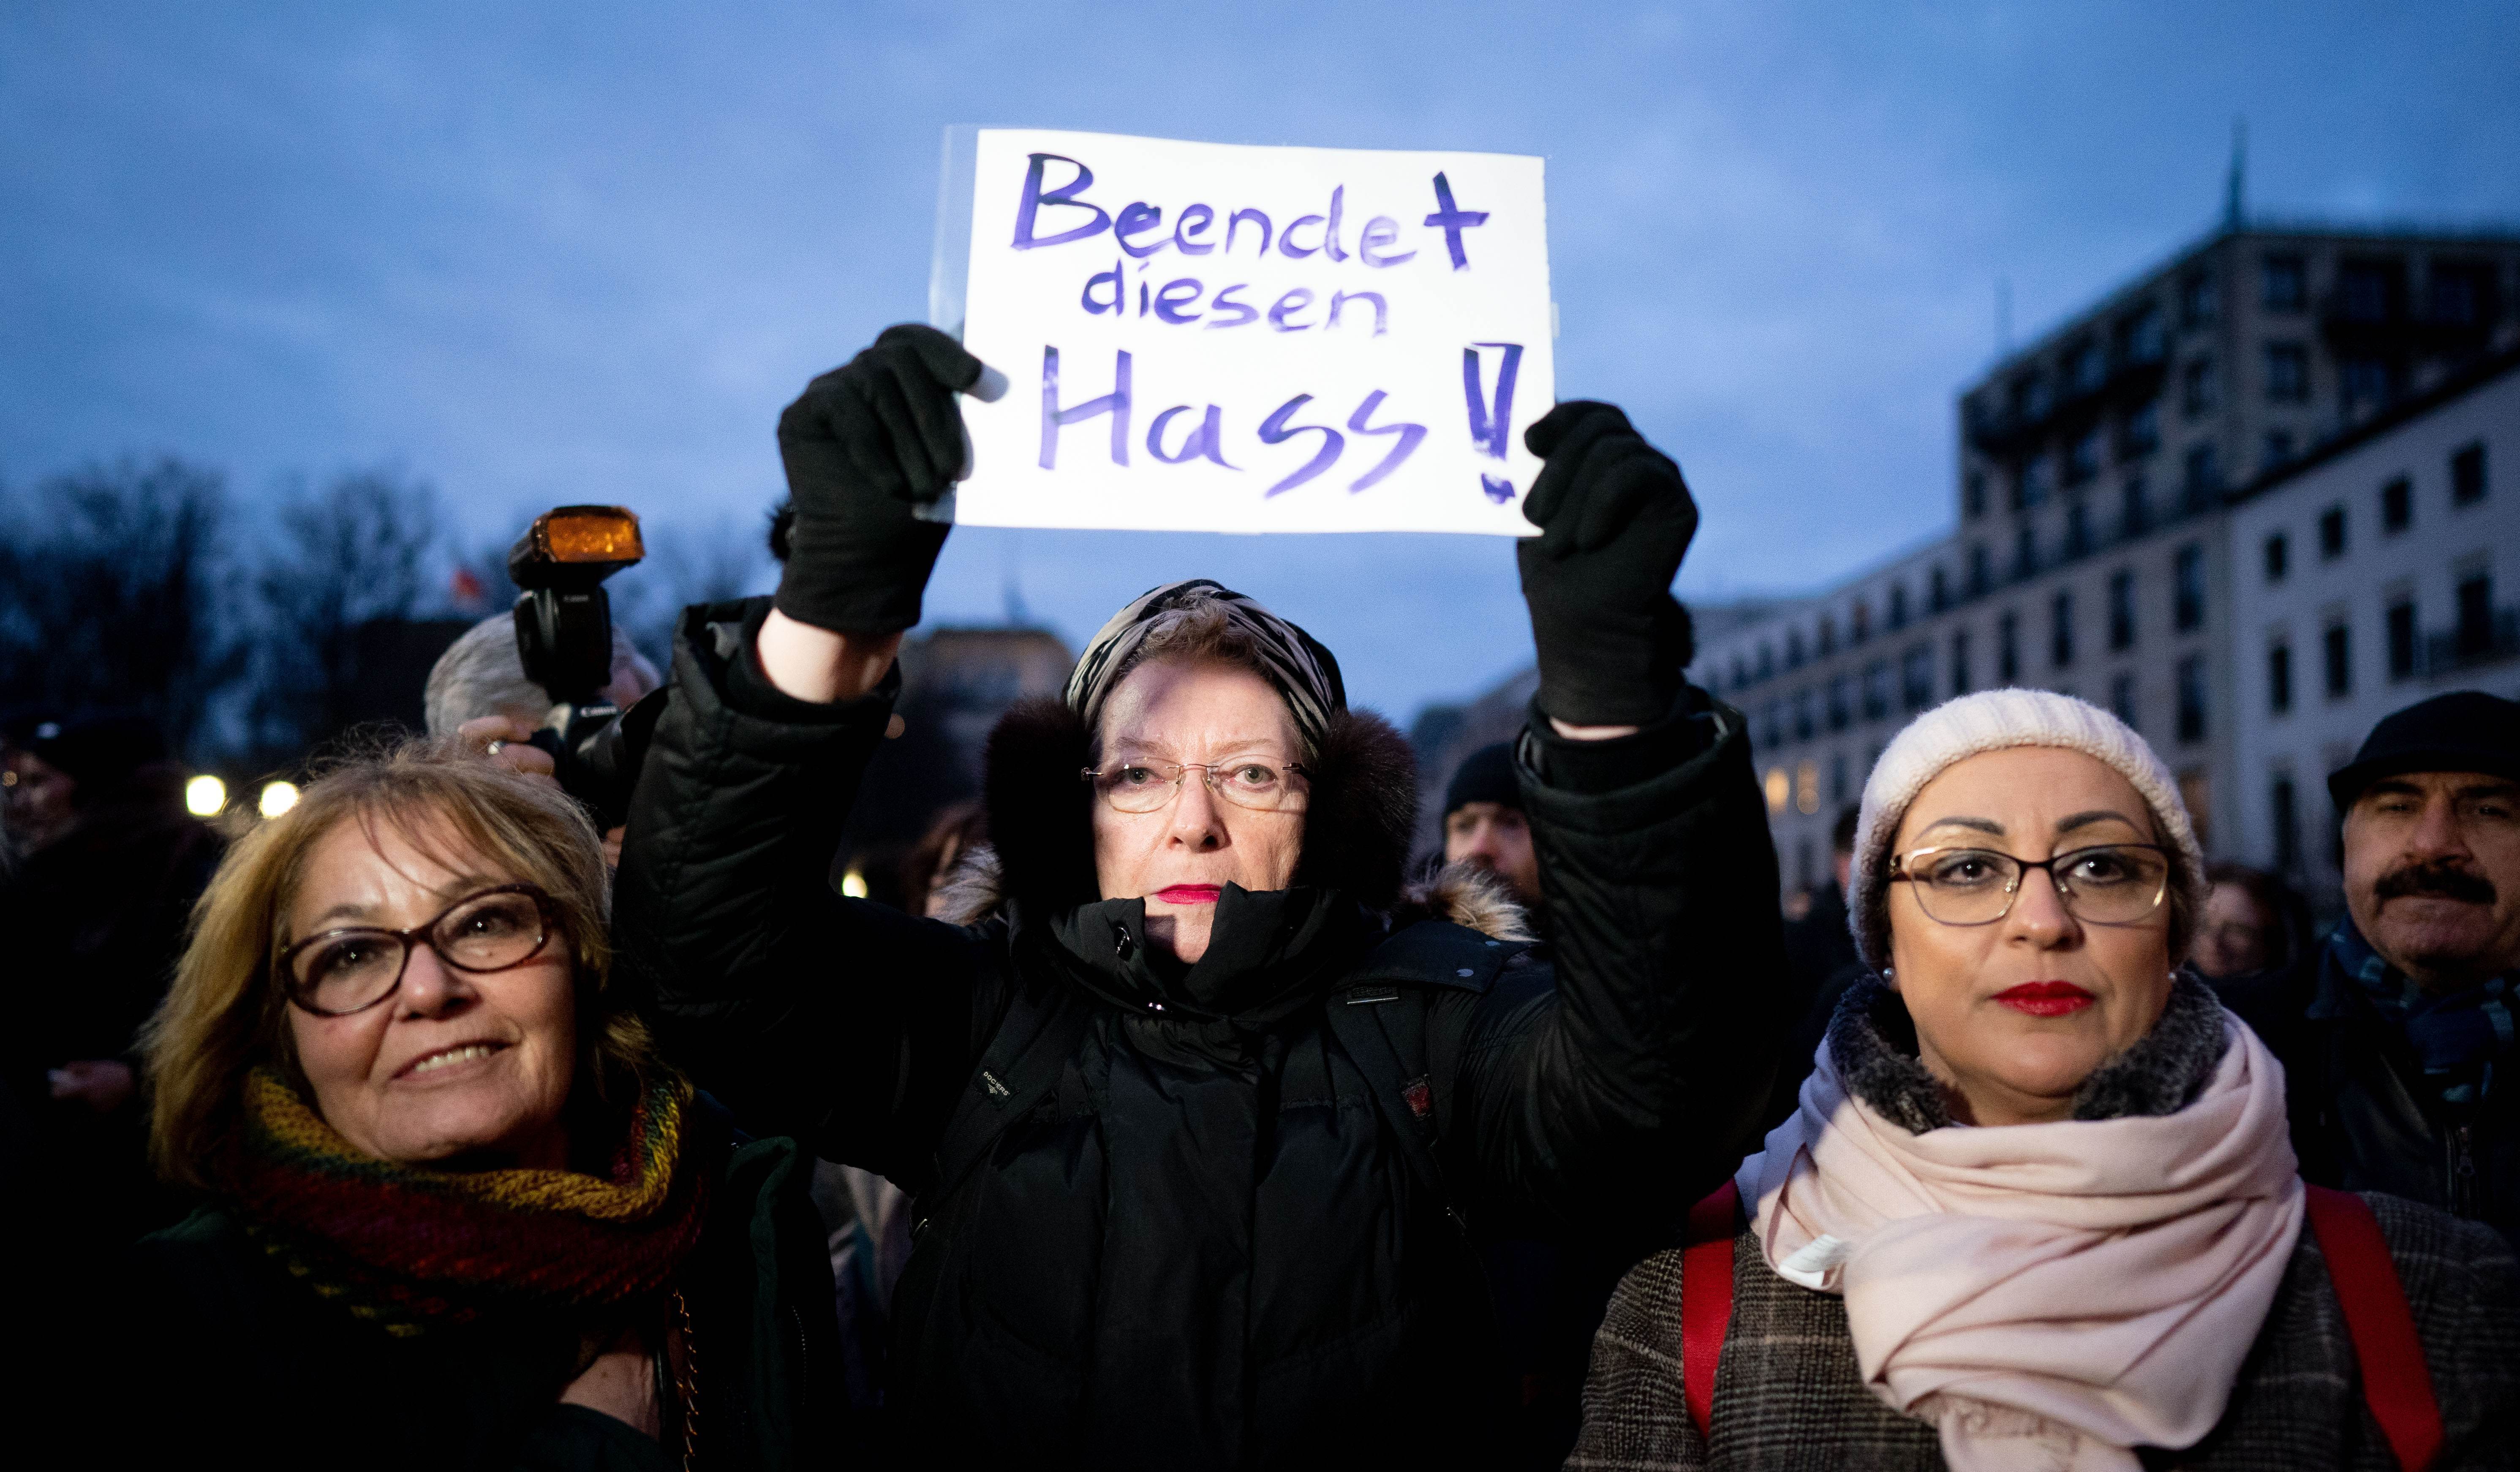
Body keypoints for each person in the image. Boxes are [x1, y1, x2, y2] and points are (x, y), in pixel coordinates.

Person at [610, 324, 1788, 1468]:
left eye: (1251, 772)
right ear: (1072, 808)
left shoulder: (1440, 1022)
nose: (1193, 818)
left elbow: (1663, 1087)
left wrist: (1612, 706)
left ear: (1324, 813)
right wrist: (826, 618)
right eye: (1138, 772)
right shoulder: (970, 1016)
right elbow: (707, 965)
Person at [1570, 689, 2520, 1471]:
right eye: (1967, 866)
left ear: (2173, 932)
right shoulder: (1687, 1305)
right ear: (1883, 935)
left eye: (2102, 866)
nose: (2040, 918)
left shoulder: (2438, 1288)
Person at [123, 742, 841, 1470]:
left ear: (586, 958)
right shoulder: (178, 1317)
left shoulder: (742, 1218)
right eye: (351, 955)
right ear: (276, 1027)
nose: (431, 990)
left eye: (483, 923)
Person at [2290, 690, 2520, 1248]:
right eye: (2396, 806)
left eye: (2486, 809)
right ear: (2346, 843)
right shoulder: (2229, 1050)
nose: (2432, 845)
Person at [1, 713, 223, 1246]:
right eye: (16, 784)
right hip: (56, 1155)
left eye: (38, 781)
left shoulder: (189, 870)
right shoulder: (40, 878)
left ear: (95, 786)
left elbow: (223, 1008)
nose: (21, 802)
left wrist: (136, 1078)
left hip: (159, 1164)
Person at [2191, 860, 2316, 1051]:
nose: (2214, 942)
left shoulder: (2292, 1021)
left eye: (2238, 931)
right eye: (2203, 926)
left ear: (2274, 942)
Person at [1442, 740, 1543, 909]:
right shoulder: (1411, 934)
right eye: (1464, 826)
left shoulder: (1593, 929)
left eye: (1511, 824)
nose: (1480, 849)